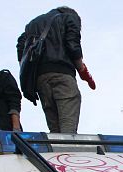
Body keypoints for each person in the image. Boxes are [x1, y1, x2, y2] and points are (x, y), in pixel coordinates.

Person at [17, 6, 95, 134]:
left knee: (55, 130)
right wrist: (82, 70)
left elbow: (21, 45)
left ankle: (57, 152)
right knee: (68, 129)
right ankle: (68, 152)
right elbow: (72, 45)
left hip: (40, 79)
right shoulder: (70, 17)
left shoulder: (32, 24)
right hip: (62, 74)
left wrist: (27, 67)